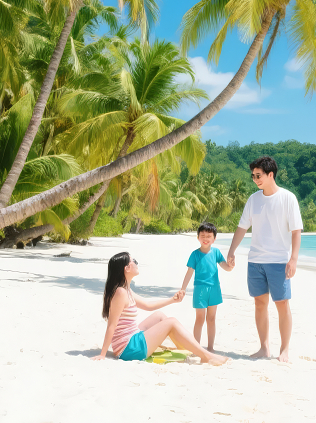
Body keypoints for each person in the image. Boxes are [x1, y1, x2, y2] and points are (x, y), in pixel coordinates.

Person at [227, 156, 303, 362]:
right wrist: (232, 250)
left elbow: (297, 231)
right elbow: (242, 227)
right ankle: (264, 348)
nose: (255, 179)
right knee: (260, 304)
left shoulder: (288, 198)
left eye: (258, 175)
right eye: (253, 176)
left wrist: (293, 259)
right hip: (256, 261)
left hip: (279, 261)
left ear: (271, 175)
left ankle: (284, 349)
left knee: (281, 304)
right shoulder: (253, 200)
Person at [92, 252, 227, 366]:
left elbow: (148, 305)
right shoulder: (120, 293)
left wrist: (172, 300)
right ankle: (206, 355)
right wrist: (102, 354)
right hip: (129, 349)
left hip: (132, 338)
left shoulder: (126, 290)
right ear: (127, 268)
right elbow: (112, 325)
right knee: (172, 322)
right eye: (134, 261)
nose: (137, 264)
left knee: (160, 316)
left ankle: (186, 348)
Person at [179, 222, 233, 351]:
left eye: (209, 236)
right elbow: (189, 273)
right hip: (200, 289)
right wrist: (183, 288)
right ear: (198, 237)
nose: (205, 238)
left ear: (214, 239)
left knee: (211, 318)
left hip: (214, 289)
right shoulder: (195, 254)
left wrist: (231, 266)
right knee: (200, 318)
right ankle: (196, 347)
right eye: (202, 235)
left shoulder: (216, 252)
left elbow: (225, 267)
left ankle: (210, 347)